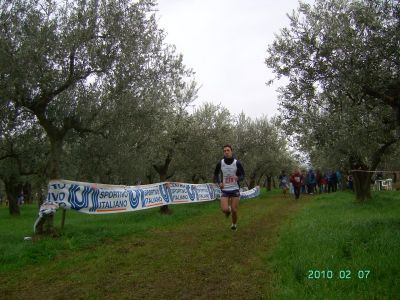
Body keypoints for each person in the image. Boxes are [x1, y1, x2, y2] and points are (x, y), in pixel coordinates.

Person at [214, 144, 245, 231]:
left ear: (231, 151)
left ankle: (234, 225)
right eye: (224, 151)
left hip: (235, 189)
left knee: (234, 211)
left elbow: (243, 175)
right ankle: (228, 210)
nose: (226, 152)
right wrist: (219, 182)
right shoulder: (220, 163)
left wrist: (238, 178)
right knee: (224, 210)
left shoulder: (237, 163)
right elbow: (216, 174)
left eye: (228, 150)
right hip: (225, 189)